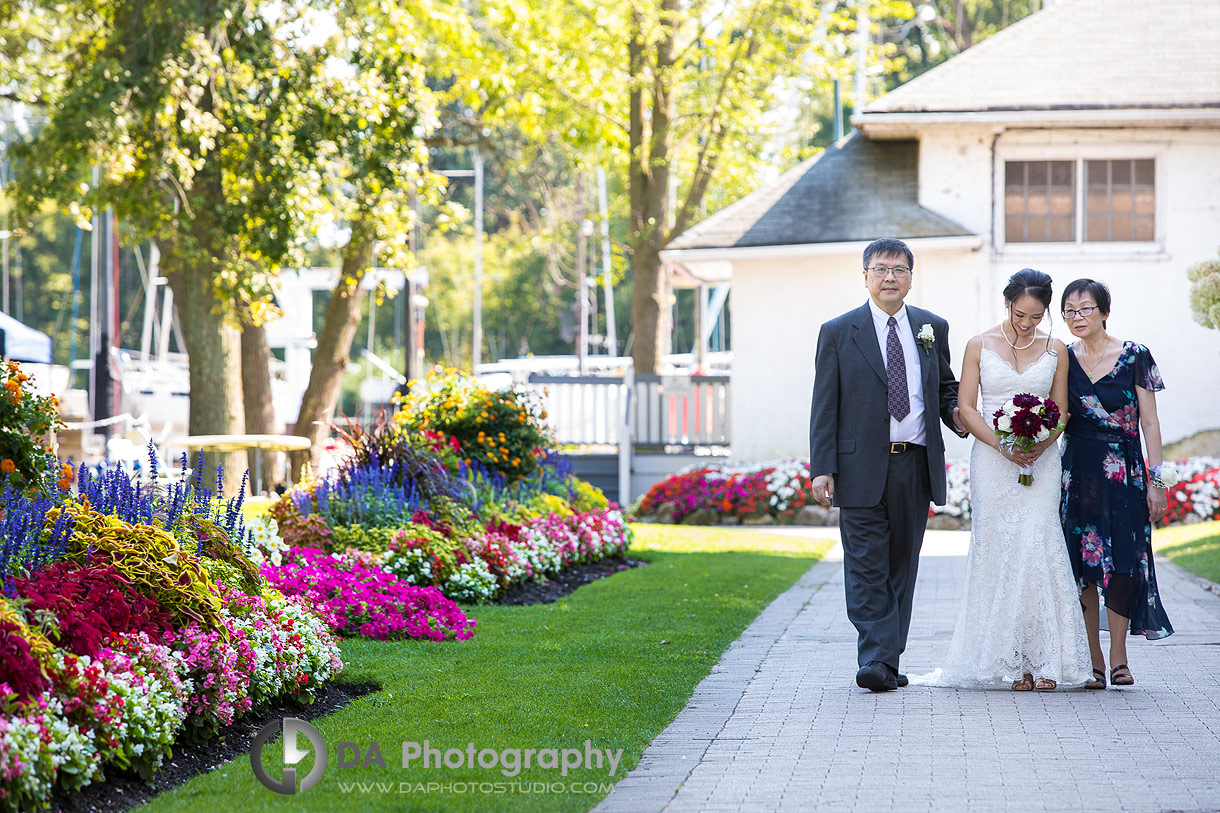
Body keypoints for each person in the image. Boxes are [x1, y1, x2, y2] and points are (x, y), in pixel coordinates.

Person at [915, 269, 1091, 691]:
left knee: (1037, 544)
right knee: (998, 550)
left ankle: (1045, 659)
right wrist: (1003, 446)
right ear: (1007, 303)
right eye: (1019, 314)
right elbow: (967, 408)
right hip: (994, 461)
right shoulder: (979, 344)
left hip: (1040, 461)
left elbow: (1062, 408)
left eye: (1036, 316)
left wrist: (1041, 446)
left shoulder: (1057, 350)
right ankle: (1011, 662)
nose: (1027, 324)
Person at [808, 238, 965, 692]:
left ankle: (887, 662)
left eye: (898, 270)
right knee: (865, 566)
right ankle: (876, 660)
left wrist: (960, 414)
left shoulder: (932, 327)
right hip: (858, 468)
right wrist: (824, 466)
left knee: (902, 565)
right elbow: (825, 405)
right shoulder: (838, 331)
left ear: (911, 278)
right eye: (880, 269)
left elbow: (945, 388)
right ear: (865, 277)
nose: (889, 277)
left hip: (914, 465)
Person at [1060, 279, 1173, 690]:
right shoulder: (1062, 358)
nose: (1077, 318)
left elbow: (1151, 422)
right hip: (1077, 473)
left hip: (1124, 472)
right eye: (1069, 311)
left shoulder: (1135, 355)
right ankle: (1093, 663)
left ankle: (1120, 659)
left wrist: (1157, 482)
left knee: (1123, 562)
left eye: (1085, 309)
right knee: (1084, 565)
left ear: (1105, 312)